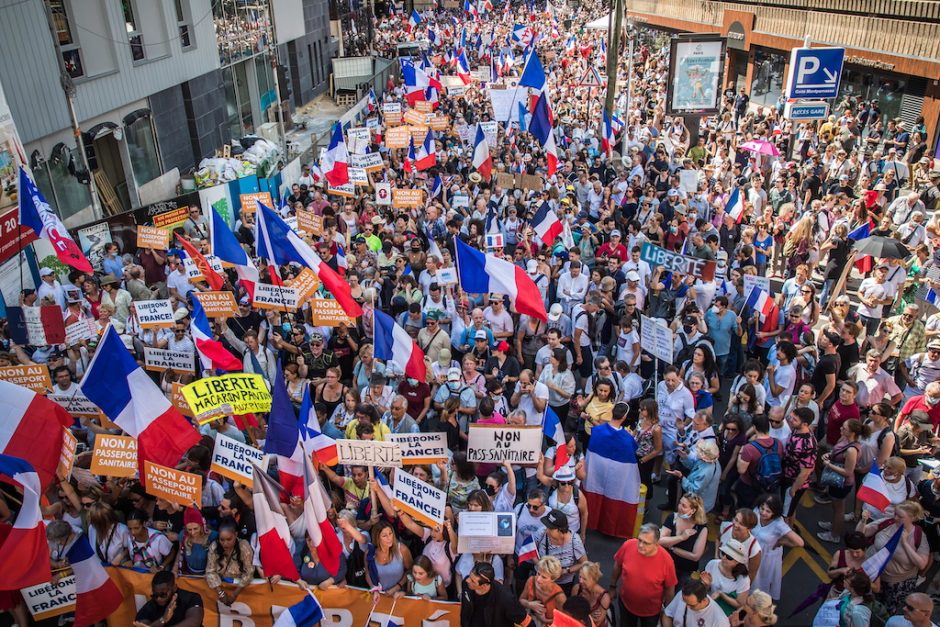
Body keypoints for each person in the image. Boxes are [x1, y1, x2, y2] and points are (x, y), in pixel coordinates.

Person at [856, 500, 931, 613]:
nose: (895, 518)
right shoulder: (888, 523)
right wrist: (863, 520)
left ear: (912, 518)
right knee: (864, 606)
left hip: (896, 584)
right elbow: (860, 534)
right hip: (874, 575)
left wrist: (905, 543)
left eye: (900, 516)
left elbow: (921, 564)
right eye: (895, 514)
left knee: (884, 612)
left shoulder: (919, 536)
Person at [610, 523, 678, 627]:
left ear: (656, 543)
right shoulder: (628, 545)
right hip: (626, 604)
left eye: (646, 543)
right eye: (640, 540)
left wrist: (668, 612)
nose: (641, 545)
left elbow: (670, 588)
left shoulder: (666, 561)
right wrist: (612, 587)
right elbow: (617, 566)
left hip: (651, 612)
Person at [750, 494, 803, 601]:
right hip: (751, 550)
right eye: (762, 508)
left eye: (768, 511)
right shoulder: (756, 511)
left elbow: (799, 542)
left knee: (760, 580)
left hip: (766, 557)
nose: (763, 512)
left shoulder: (779, 524)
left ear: (775, 512)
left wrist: (782, 542)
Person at [460, 561, 532, 627]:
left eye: (473, 581)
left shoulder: (506, 598)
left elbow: (527, 621)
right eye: (470, 576)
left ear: (484, 585)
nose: (467, 580)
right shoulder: (466, 585)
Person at [133, 571, 204, 627]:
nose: (159, 599)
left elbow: (194, 623)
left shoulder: (191, 598)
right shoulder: (148, 608)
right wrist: (163, 619)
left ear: (174, 588)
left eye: (163, 594)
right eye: (155, 595)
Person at [701, 540, 750, 616]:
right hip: (708, 608)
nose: (724, 558)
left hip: (724, 614)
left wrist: (722, 595)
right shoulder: (712, 564)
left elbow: (740, 604)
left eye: (729, 557)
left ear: (737, 562)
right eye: (723, 553)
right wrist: (706, 585)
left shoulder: (743, 579)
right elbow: (703, 591)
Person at [519, 555, 567, 626]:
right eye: (538, 573)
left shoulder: (559, 596)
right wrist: (529, 604)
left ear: (553, 579)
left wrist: (544, 620)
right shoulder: (531, 580)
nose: (538, 579)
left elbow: (564, 620)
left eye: (544, 577)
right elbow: (521, 600)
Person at [662, 579, 731, 627]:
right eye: (684, 602)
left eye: (692, 605)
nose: (687, 606)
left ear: (704, 600)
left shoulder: (720, 622)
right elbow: (667, 615)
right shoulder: (684, 596)